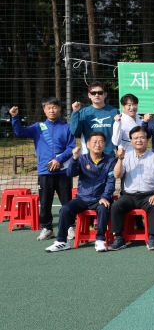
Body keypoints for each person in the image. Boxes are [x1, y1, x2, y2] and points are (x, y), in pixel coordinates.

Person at [10, 99, 75, 241]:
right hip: (45, 172)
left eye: (55, 107)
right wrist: (15, 118)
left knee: (67, 201)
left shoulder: (67, 127)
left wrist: (59, 160)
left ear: (60, 109)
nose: (52, 110)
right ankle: (47, 228)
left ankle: (70, 226)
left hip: (64, 171)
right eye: (49, 108)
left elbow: (71, 147)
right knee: (45, 202)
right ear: (44, 110)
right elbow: (20, 133)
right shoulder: (37, 127)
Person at [45, 132, 115, 253]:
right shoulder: (82, 159)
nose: (97, 144)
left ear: (104, 144)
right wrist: (74, 158)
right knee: (65, 209)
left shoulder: (110, 160)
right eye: (94, 142)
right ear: (88, 144)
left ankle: (100, 240)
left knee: (103, 208)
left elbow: (110, 182)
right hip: (82, 198)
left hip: (99, 199)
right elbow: (71, 173)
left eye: (100, 142)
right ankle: (62, 241)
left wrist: (105, 197)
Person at [108, 126, 154, 251]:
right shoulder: (125, 156)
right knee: (116, 206)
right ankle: (119, 238)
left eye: (142, 137)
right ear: (131, 141)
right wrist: (120, 159)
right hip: (129, 195)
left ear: (147, 140)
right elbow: (117, 175)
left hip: (148, 194)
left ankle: (152, 237)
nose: (139, 140)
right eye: (135, 138)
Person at [69, 81, 118, 155]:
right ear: (89, 95)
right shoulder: (83, 112)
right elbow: (75, 132)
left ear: (105, 94)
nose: (97, 95)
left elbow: (119, 133)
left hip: (110, 155)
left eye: (100, 93)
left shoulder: (114, 111)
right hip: (91, 155)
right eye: (93, 93)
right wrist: (75, 112)